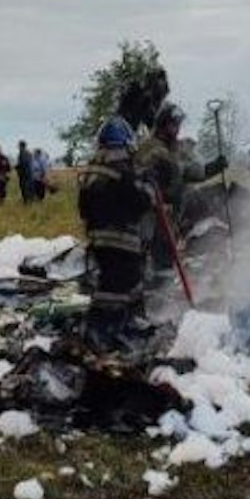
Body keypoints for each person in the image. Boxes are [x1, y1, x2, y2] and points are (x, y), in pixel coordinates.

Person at [79, 67, 169, 350]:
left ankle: (115, 328)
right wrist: (149, 190)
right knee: (119, 288)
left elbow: (83, 206)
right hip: (121, 240)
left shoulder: (96, 166)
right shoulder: (123, 169)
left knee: (112, 285)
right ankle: (104, 332)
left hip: (99, 239)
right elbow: (138, 200)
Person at [136, 104, 226, 274]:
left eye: (178, 125)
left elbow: (194, 173)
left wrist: (214, 167)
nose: (177, 129)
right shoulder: (148, 148)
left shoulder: (177, 151)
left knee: (166, 261)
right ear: (163, 124)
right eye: (173, 124)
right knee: (148, 257)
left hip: (170, 218)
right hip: (149, 216)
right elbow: (136, 178)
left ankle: (160, 291)